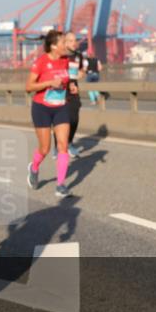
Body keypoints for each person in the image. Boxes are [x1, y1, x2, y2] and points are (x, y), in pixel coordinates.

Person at [26, 30, 73, 198]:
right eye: (63, 43)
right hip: (42, 108)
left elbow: (67, 80)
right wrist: (49, 83)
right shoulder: (41, 62)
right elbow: (29, 87)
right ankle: (34, 167)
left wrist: (71, 86)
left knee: (62, 145)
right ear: (53, 46)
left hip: (60, 107)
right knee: (45, 148)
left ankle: (60, 185)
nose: (66, 45)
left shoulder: (66, 61)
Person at [52, 31, 89, 158]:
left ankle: (69, 143)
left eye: (75, 40)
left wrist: (82, 73)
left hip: (74, 90)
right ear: (65, 42)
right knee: (61, 119)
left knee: (74, 118)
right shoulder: (61, 56)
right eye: (71, 41)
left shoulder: (79, 56)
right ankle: (57, 147)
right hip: (61, 89)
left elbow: (82, 70)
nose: (74, 43)